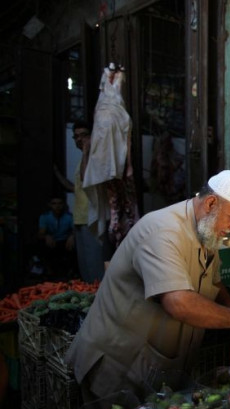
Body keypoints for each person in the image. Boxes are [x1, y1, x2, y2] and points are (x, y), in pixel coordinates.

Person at [66, 170, 230, 403]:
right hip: (118, 363)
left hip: (154, 367)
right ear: (210, 203)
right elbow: (179, 304)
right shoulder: (162, 231)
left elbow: (214, 280)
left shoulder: (207, 230)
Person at [82, 63, 140, 270]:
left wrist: (128, 165)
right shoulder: (105, 113)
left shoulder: (117, 114)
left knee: (121, 213)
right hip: (107, 171)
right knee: (113, 215)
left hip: (117, 170)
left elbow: (126, 140)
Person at [53, 120, 105, 283]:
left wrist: (85, 152)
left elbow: (86, 180)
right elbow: (76, 188)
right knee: (85, 268)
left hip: (92, 220)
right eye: (75, 136)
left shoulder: (94, 157)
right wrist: (57, 174)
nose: (79, 139)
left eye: (83, 135)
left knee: (95, 267)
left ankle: (99, 302)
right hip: (80, 219)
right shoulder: (83, 161)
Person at [37, 196, 77, 278]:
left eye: (60, 203)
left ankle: (71, 273)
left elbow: (75, 231)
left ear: (63, 205)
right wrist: (46, 236)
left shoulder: (69, 217)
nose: (57, 206)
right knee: (41, 244)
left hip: (64, 241)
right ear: (50, 205)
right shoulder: (45, 217)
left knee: (75, 245)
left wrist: (72, 236)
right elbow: (41, 233)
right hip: (52, 242)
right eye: (54, 204)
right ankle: (48, 272)